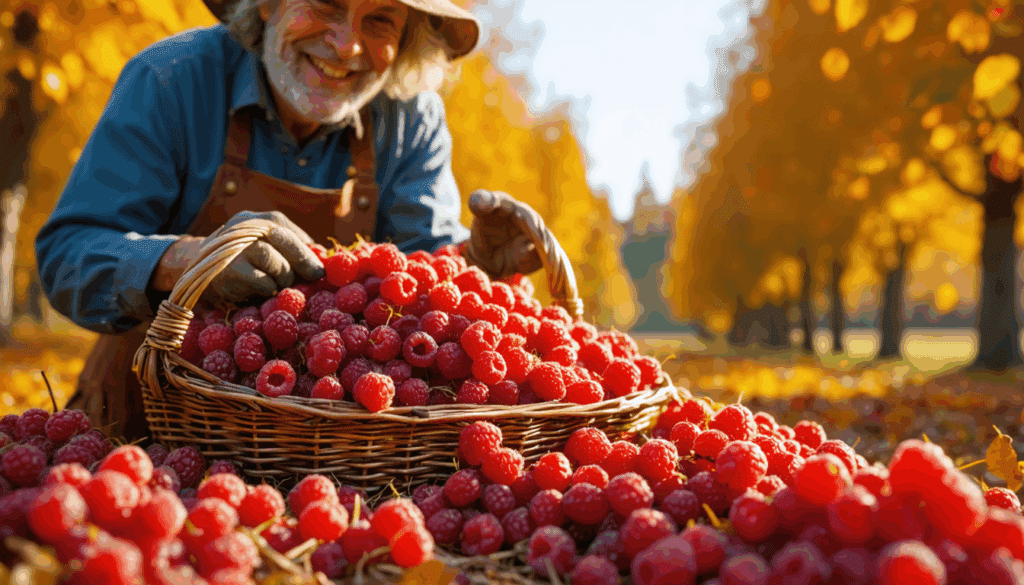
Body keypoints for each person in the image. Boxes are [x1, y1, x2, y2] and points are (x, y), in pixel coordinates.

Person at [35, 0, 546, 441]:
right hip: (146, 419)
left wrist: (474, 261)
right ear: (267, 3)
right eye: (326, 3)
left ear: (407, 39)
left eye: (381, 21)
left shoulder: (410, 118)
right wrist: (180, 262)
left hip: (318, 449)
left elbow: (423, 278)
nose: (347, 46)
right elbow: (67, 254)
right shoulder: (172, 78)